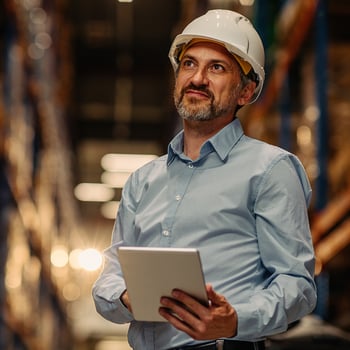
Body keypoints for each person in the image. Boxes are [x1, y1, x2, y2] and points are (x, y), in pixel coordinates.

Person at [92, 9, 317, 350]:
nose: (197, 78)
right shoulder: (142, 181)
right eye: (189, 64)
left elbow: (297, 285)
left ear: (246, 91)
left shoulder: (270, 169)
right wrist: (125, 297)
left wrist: (236, 319)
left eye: (217, 68)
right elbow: (110, 274)